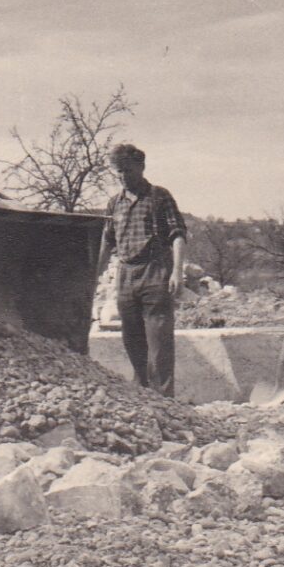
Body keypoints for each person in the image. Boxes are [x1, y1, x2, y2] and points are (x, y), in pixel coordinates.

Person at [96, 143, 187, 398]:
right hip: (125, 274)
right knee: (132, 340)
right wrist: (95, 275)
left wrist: (177, 272)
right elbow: (108, 241)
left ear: (141, 167)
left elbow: (178, 235)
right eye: (119, 173)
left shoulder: (159, 197)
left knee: (159, 342)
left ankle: (164, 400)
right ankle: (142, 395)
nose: (124, 177)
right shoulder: (114, 204)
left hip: (155, 271)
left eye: (128, 171)